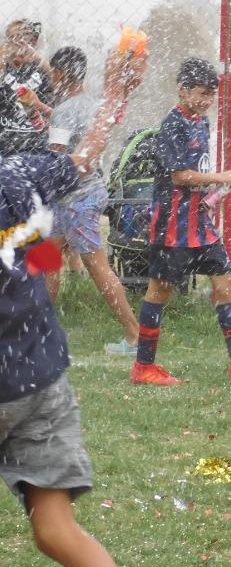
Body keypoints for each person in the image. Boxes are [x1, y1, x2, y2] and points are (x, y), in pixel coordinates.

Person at [1, 46, 178, 567]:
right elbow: (79, 162)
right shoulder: (17, 180)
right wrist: (118, 95)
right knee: (55, 526)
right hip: (36, 377)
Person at [129, 58, 231, 386]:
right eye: (200, 93)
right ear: (182, 90)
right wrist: (222, 176)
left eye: (211, 95)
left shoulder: (201, 120)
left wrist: (215, 190)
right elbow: (180, 175)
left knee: (226, 283)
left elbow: (196, 170)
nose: (206, 100)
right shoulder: (173, 125)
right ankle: (143, 367)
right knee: (160, 290)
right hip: (173, 224)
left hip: (200, 223)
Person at [41, 46, 141, 357]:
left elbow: (58, 157)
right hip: (79, 193)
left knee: (97, 268)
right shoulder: (89, 104)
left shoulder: (64, 110)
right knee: (48, 259)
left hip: (76, 198)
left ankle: (135, 335)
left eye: (50, 74)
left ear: (57, 75)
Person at [0, 19, 52, 157]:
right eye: (14, 38)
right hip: (4, 148)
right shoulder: (4, 68)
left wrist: (37, 57)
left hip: (37, 149)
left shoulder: (41, 69)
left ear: (33, 42)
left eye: (24, 37)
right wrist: (3, 55)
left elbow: (60, 83)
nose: (19, 43)